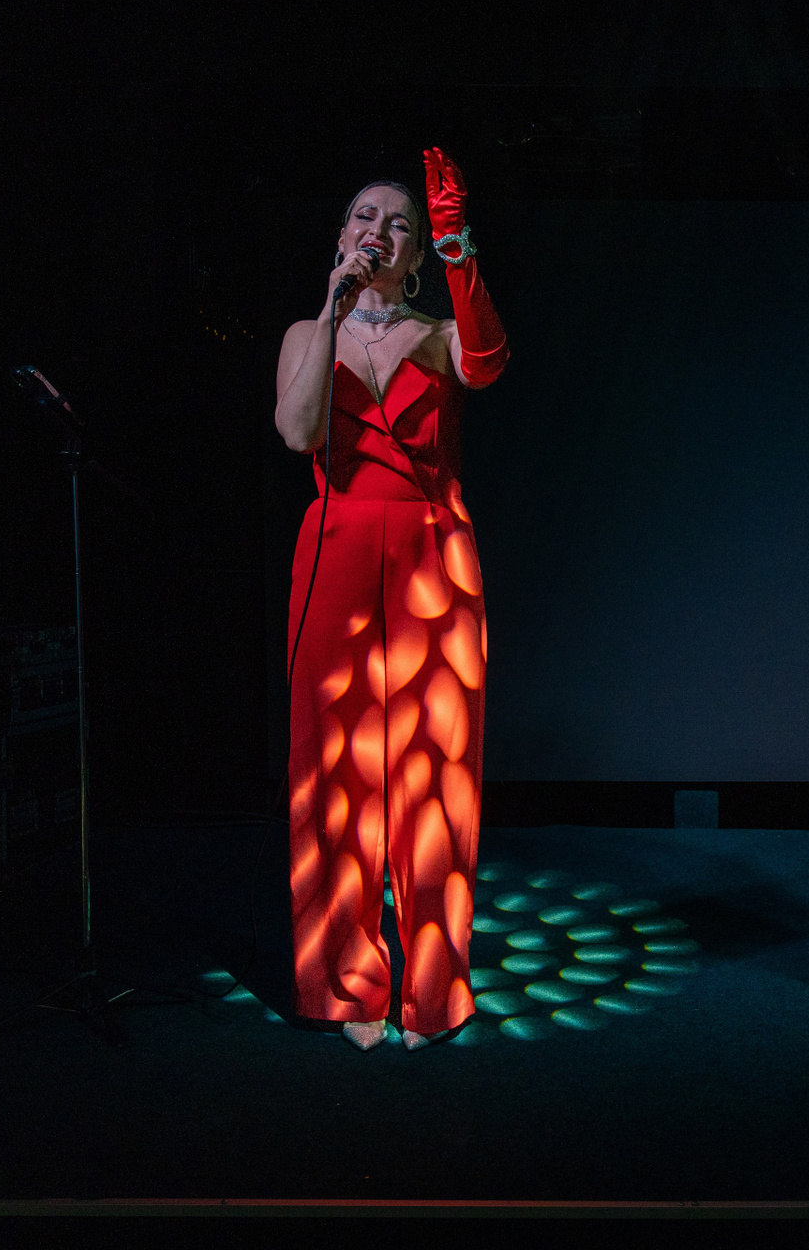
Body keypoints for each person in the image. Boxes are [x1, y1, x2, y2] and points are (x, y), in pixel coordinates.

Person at [274, 148, 508, 1051]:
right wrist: (331, 310)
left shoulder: (441, 334)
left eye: (399, 223)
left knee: (432, 772)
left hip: (431, 557)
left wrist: (458, 250)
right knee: (334, 772)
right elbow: (299, 432)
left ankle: (434, 987)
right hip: (335, 549)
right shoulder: (307, 333)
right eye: (365, 216)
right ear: (342, 235)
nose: (379, 230)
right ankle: (346, 982)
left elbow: (489, 360)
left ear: (413, 255)